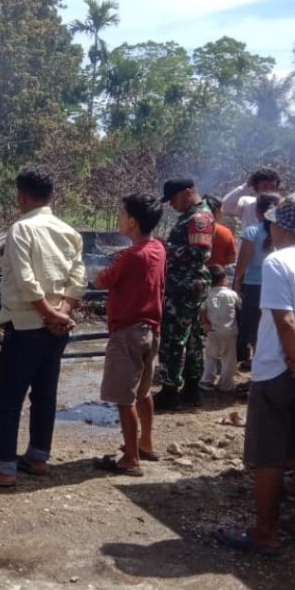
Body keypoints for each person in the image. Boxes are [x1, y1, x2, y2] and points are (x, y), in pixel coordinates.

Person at [215, 193, 295, 555]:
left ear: (282, 225)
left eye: (273, 221)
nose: (269, 226)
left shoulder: (278, 263)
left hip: (278, 370)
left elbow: (283, 318)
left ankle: (265, 533)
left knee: (268, 454)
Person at [0, 167, 86, 487]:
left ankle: (4, 467)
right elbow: (78, 279)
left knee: (9, 397)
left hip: (25, 326)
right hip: (58, 329)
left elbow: (25, 280)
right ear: (51, 195)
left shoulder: (21, 229)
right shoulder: (68, 231)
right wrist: (61, 312)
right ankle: (37, 456)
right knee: (44, 394)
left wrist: (48, 312)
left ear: (22, 196)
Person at [91, 193, 165, 476]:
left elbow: (101, 280)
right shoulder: (157, 248)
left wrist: (96, 275)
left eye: (122, 214)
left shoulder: (131, 256)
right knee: (143, 391)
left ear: (132, 222)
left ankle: (130, 458)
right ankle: (145, 443)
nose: (120, 218)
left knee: (125, 398)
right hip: (150, 330)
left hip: (128, 333)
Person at [154, 178, 214, 411]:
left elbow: (198, 253)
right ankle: (190, 388)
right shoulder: (196, 216)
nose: (172, 204)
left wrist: (164, 249)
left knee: (173, 339)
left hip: (184, 287)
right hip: (186, 285)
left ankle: (170, 389)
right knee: (191, 339)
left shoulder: (199, 218)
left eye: (174, 199)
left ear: (188, 193)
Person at [233, 193, 281, 372]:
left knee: (254, 327)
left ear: (258, 211)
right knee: (271, 325)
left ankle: (257, 362)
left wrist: (237, 280)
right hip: (276, 286)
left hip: (253, 287)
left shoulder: (252, 232)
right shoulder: (283, 233)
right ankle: (267, 362)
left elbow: (243, 260)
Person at [199, 264, 241, 394]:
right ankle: (226, 384)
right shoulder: (232, 294)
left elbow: (202, 311)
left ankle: (207, 380)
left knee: (210, 356)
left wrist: (205, 323)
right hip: (229, 332)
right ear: (224, 279)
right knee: (228, 359)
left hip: (212, 331)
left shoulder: (207, 294)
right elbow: (240, 306)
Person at [222, 167, 282, 233]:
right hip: (247, 242)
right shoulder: (247, 202)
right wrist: (246, 186)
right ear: (256, 186)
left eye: (273, 187)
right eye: (265, 187)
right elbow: (225, 206)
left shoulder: (282, 207)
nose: (269, 191)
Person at [204, 194, 237, 269]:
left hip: (196, 277)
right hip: (218, 276)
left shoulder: (190, 230)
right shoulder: (225, 232)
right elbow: (232, 259)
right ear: (217, 211)